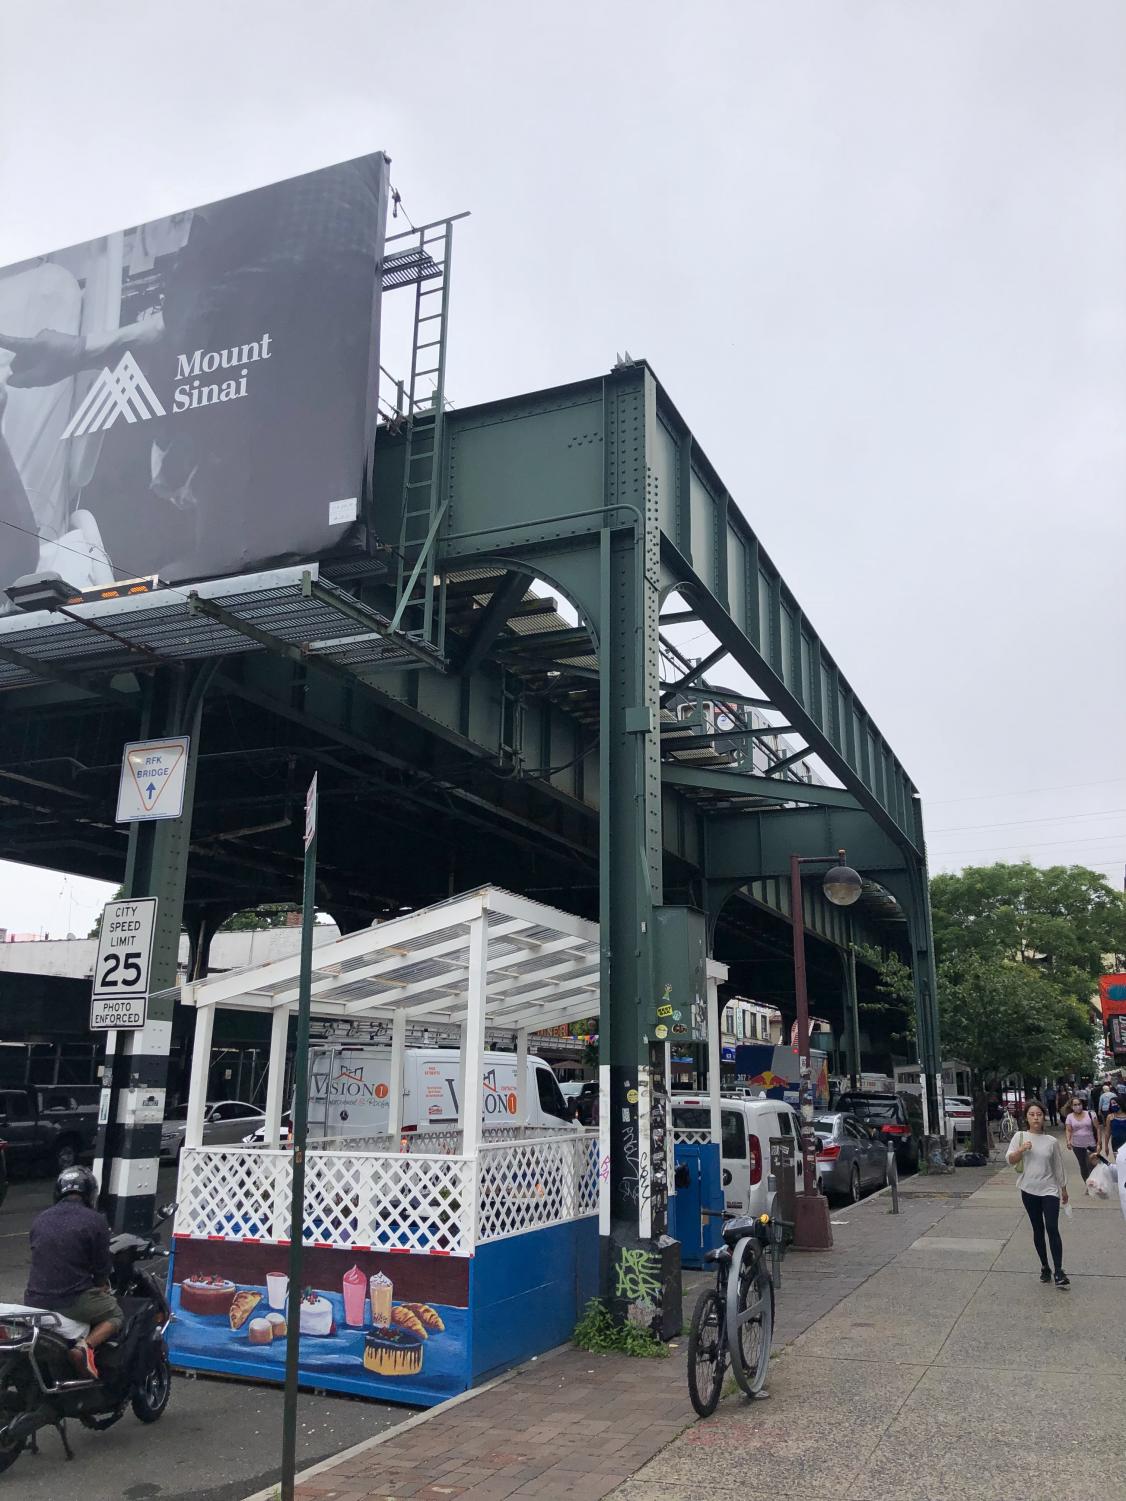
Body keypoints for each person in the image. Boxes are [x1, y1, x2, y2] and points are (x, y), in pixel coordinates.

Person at [25, 1166, 122, 1377]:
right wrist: (101, 1284)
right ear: (90, 1193)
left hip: (34, 1299)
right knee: (115, 1313)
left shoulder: (40, 1219)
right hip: (71, 1301)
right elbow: (101, 1267)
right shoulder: (95, 1220)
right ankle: (83, 1349)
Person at [1007, 1101, 1069, 1288]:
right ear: (1026, 1117)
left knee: (1052, 1227)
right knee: (1038, 1229)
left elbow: (1058, 1166)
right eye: (1032, 1114)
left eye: (1039, 1114)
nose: (1036, 1117)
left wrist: (1063, 1188)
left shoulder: (1051, 1141)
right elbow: (1010, 1160)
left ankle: (1059, 1271)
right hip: (1029, 1189)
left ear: (1044, 1117)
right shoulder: (1020, 1136)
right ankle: (1045, 1266)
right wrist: (1021, 1149)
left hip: (1049, 1190)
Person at [1064, 1094, 1099, 1181]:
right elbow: (1068, 1130)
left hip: (1091, 1144)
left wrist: (1099, 1143)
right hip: (1077, 1145)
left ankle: (1094, 1183)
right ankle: (1087, 1183)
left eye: (1079, 1104)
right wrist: (1068, 1141)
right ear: (1072, 1106)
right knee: (1083, 1165)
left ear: (1082, 1104)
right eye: (1075, 1105)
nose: (1077, 1106)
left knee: (1091, 1164)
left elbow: (1098, 1128)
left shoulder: (1090, 1114)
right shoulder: (1070, 1117)